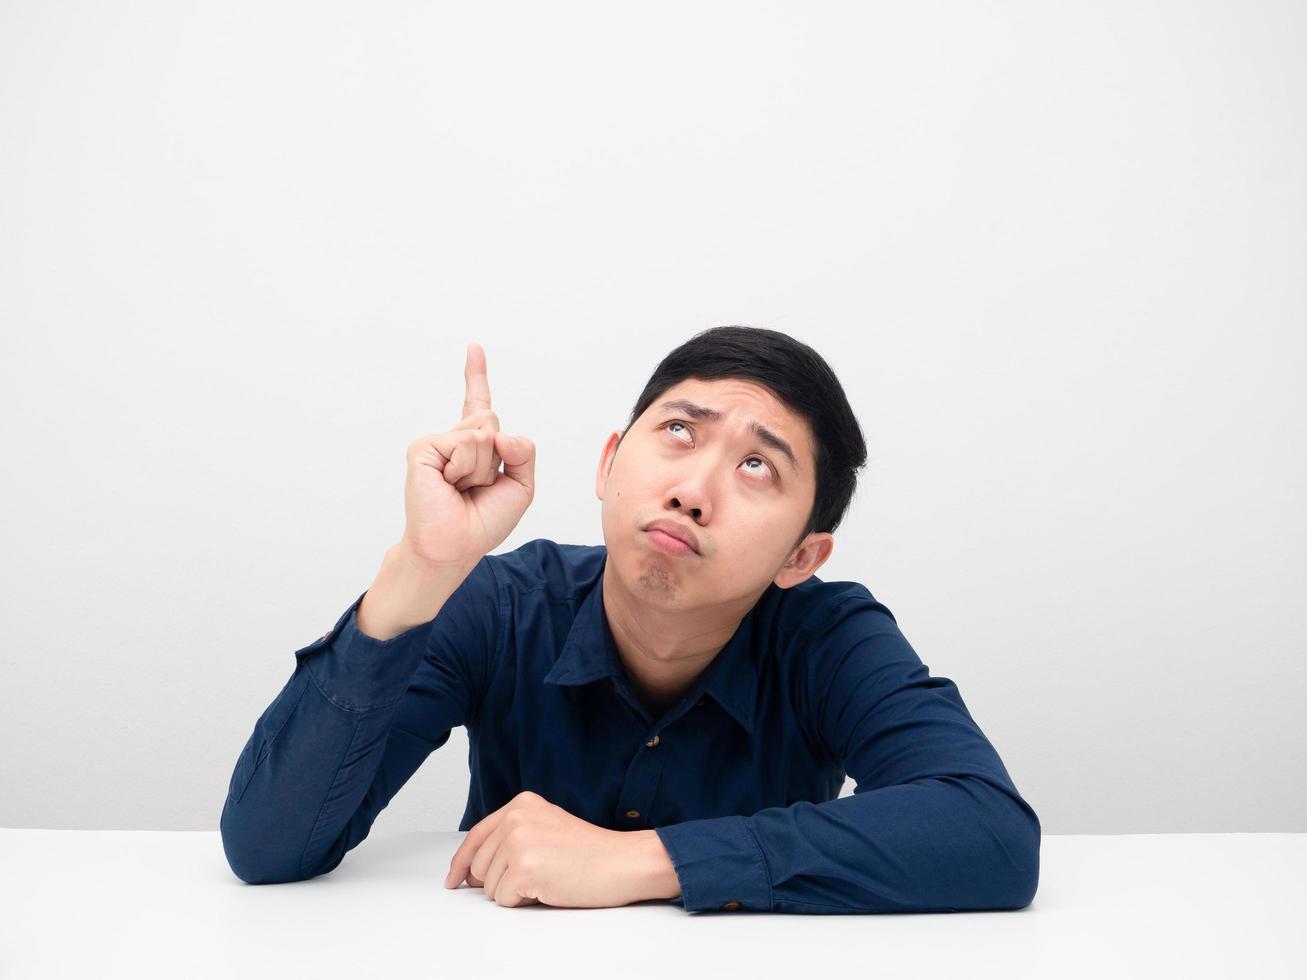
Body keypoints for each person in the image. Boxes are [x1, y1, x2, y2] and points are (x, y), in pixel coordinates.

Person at [219, 326, 1041, 914]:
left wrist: (643, 862)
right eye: (679, 432)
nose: (693, 488)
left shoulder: (829, 636)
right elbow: (268, 848)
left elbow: (989, 834)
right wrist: (420, 571)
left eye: (756, 465)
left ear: (802, 556)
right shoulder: (503, 604)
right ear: (610, 464)